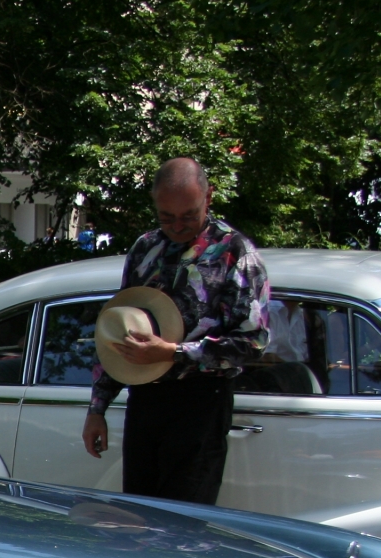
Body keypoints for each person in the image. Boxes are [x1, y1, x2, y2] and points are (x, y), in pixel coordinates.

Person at [81, 157, 270, 505]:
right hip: (146, 399)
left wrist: (173, 352)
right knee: (139, 519)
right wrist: (98, 408)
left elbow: (254, 342)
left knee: (183, 527)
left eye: (188, 216)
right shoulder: (144, 249)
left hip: (201, 401)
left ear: (208, 197)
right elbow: (119, 330)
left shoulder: (235, 252)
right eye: (167, 217)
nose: (178, 227)